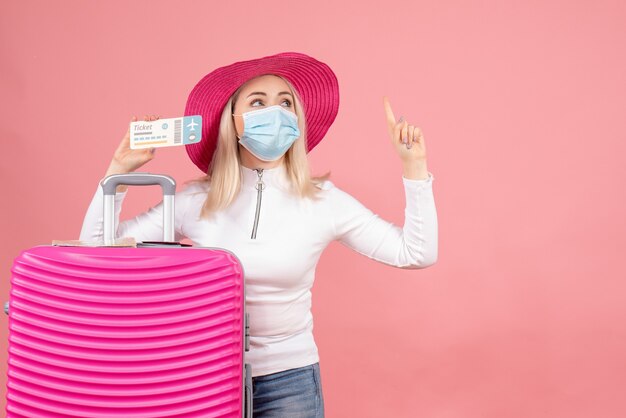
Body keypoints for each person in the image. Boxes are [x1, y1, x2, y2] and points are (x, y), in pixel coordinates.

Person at [79, 51, 438, 418]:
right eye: (257, 102)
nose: (276, 113)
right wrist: (117, 174)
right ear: (232, 121)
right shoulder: (194, 201)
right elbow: (94, 251)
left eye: (285, 103)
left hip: (291, 383)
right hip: (205, 378)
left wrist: (415, 168)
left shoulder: (324, 201)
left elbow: (416, 252)